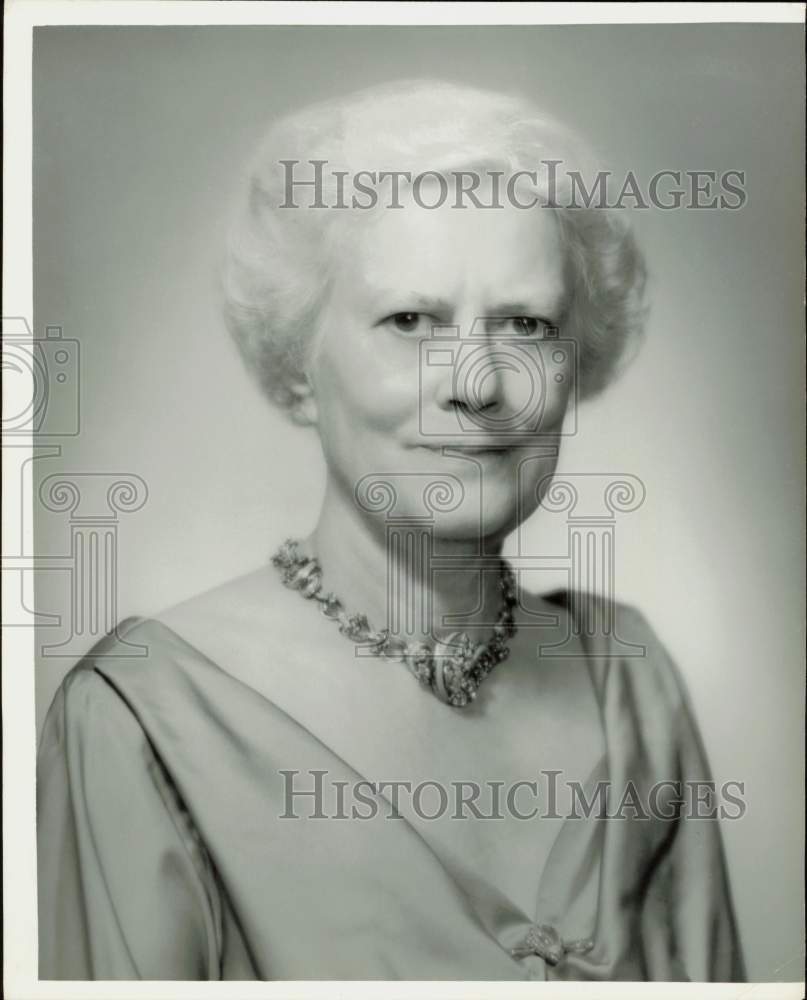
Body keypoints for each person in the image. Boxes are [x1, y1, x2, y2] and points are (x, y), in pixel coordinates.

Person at [37, 79, 745, 981]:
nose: (476, 385)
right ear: (298, 368)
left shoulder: (628, 685)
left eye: (525, 324)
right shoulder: (141, 722)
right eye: (410, 321)